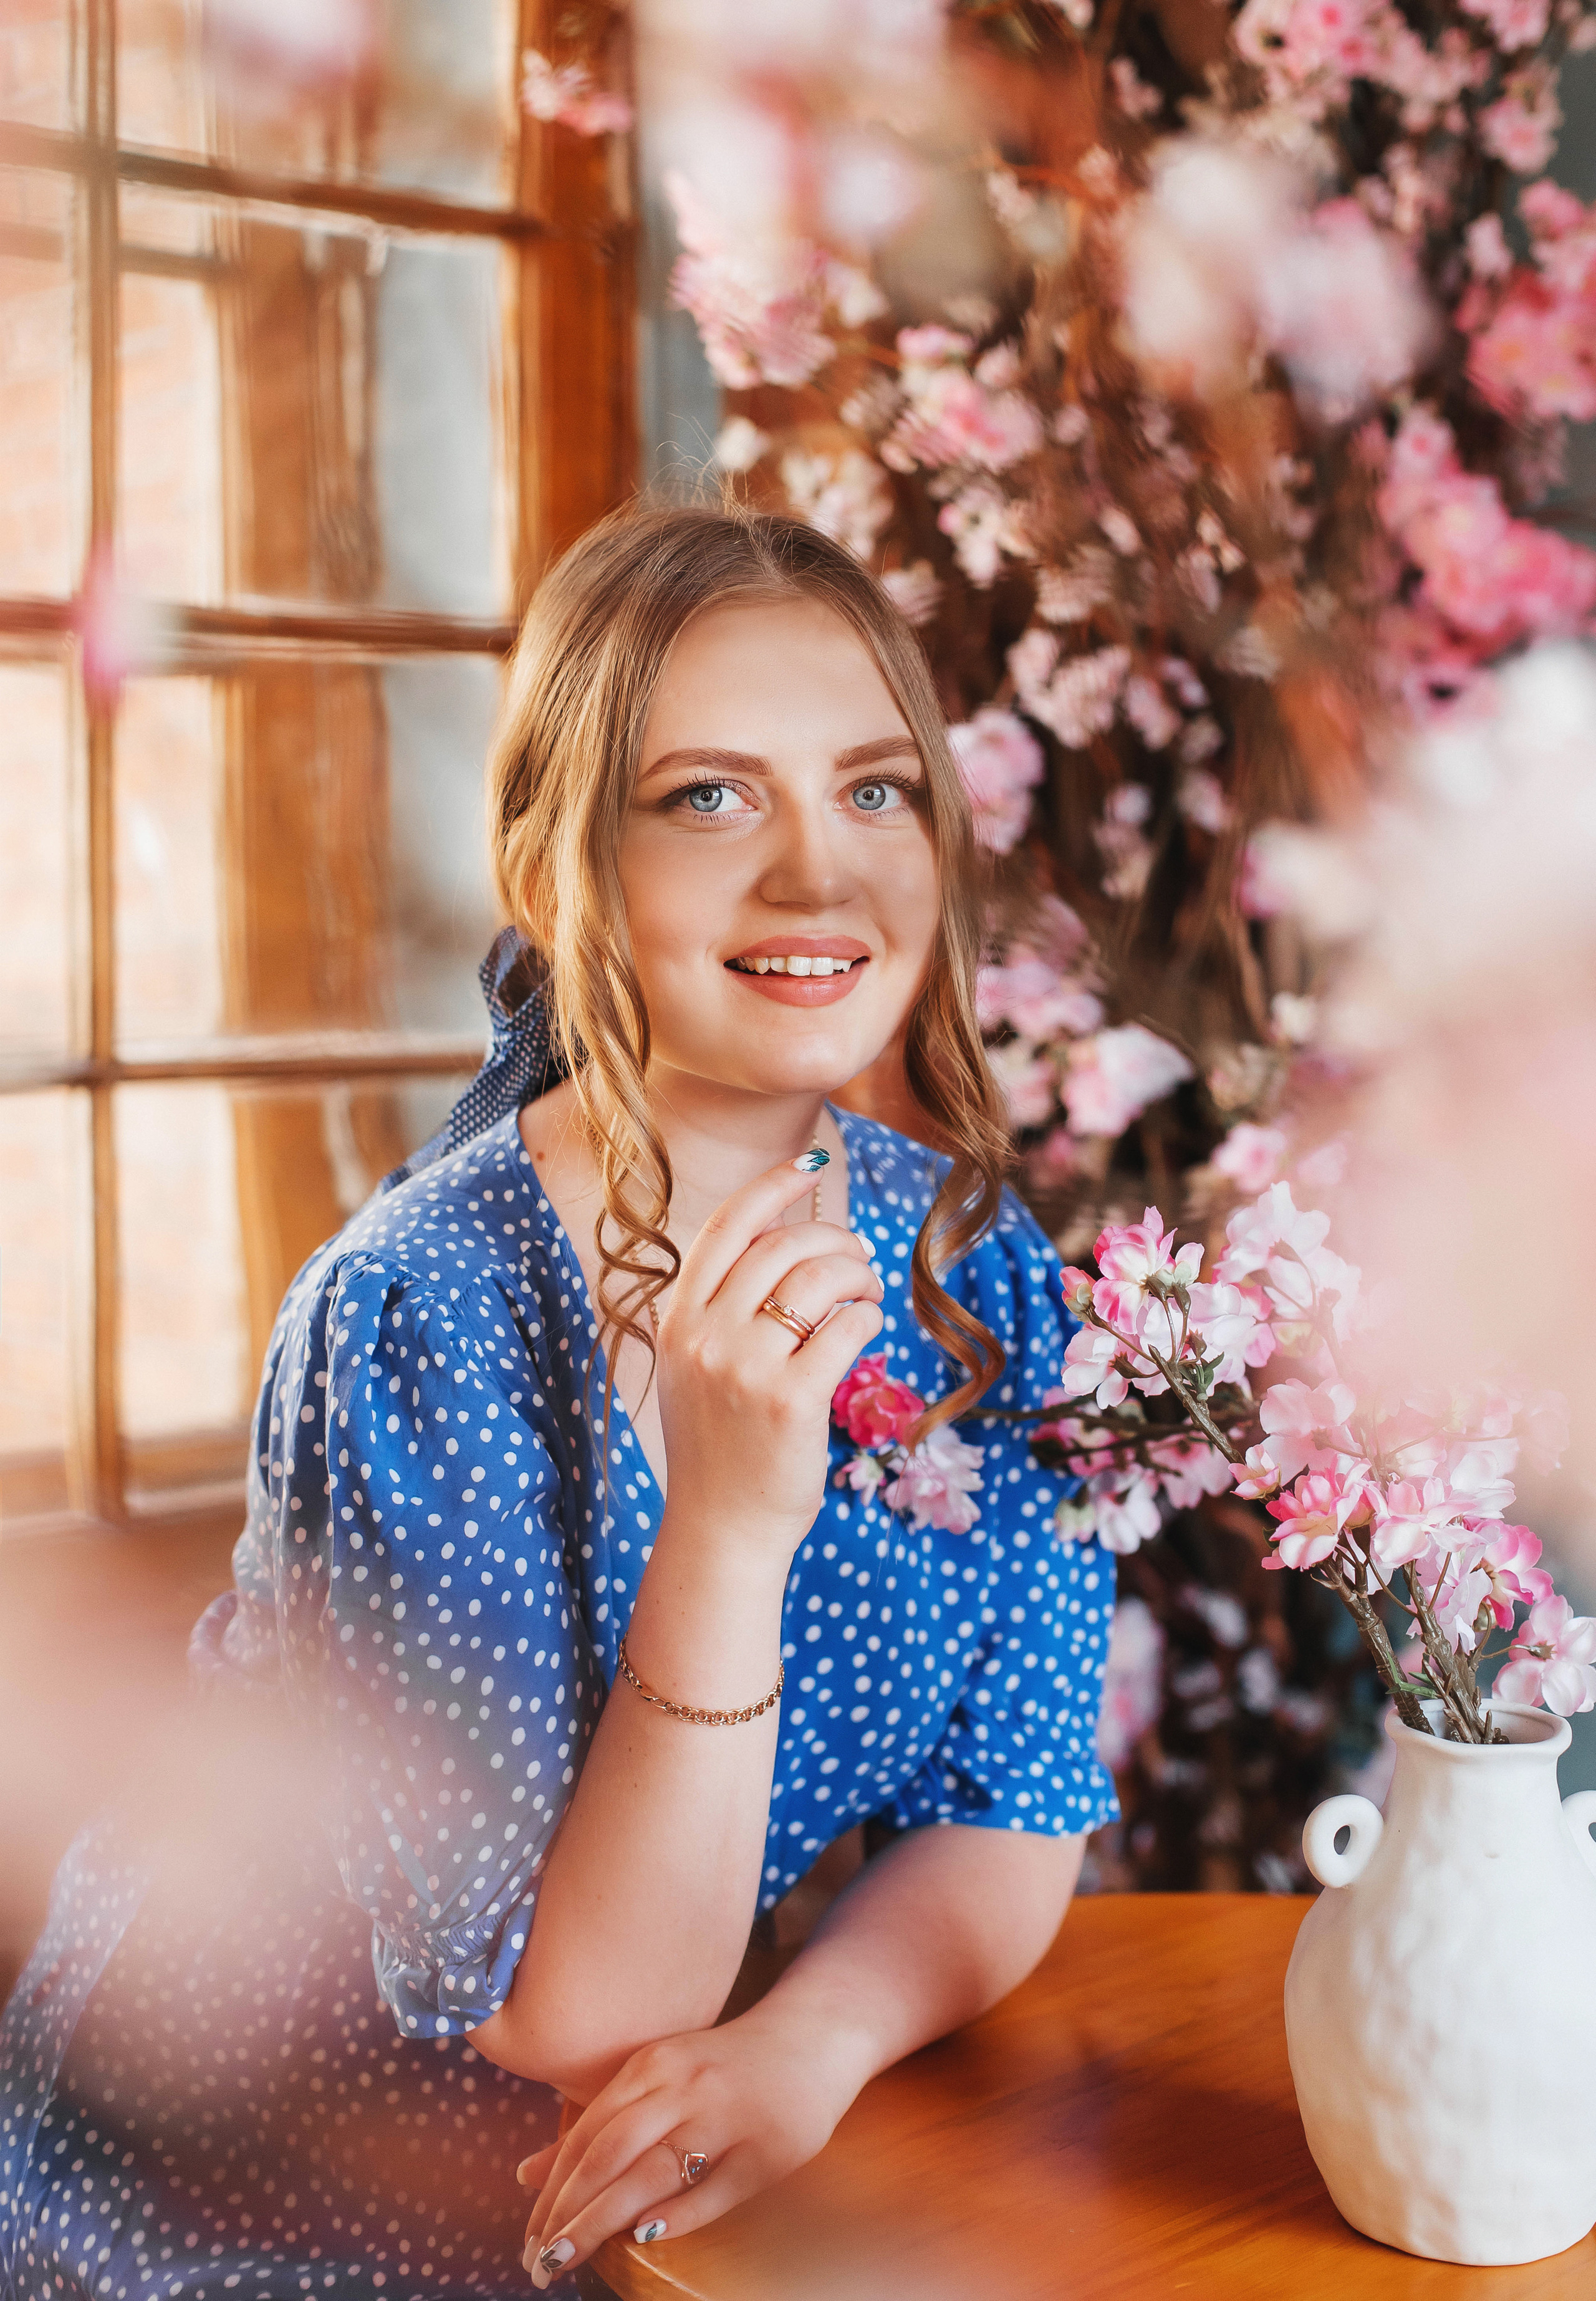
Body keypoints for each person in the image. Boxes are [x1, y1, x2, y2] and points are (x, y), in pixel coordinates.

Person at [0, 505, 1116, 2299]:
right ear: (550, 864)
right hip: (253, 2212)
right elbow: (573, 2012)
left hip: (643, 2193)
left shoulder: (978, 1270)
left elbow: (1018, 1796)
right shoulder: (417, 1315)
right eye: (710, 796)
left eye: (877, 790)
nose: (821, 873)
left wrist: (808, 2042)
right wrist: (734, 1527)